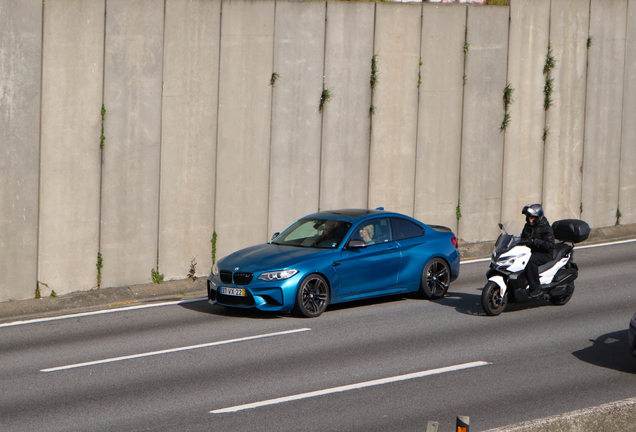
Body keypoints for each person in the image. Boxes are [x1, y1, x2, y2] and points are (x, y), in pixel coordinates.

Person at [521, 204, 555, 297]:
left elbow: (550, 245)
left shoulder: (546, 228)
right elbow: (522, 238)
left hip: (545, 253)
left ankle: (536, 288)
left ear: (538, 217)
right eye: (529, 217)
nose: (530, 220)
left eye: (533, 217)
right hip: (531, 251)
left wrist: (537, 242)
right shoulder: (527, 226)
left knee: (531, 260)